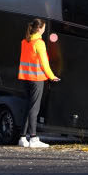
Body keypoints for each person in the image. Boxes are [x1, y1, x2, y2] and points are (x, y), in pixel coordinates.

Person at [17, 17, 60, 148]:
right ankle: (34, 138)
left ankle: (22, 138)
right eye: (44, 27)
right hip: (37, 79)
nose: (45, 29)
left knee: (28, 107)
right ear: (40, 29)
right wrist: (52, 76)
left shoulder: (25, 41)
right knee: (34, 109)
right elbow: (44, 63)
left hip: (25, 78)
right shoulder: (39, 43)